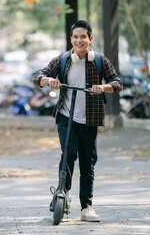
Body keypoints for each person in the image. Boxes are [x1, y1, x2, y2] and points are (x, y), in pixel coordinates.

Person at [33, 20, 123, 222]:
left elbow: (117, 83)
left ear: (90, 39)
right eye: (75, 37)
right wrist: (49, 81)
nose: (79, 40)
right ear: (71, 39)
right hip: (66, 116)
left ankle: (86, 207)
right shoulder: (62, 60)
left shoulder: (99, 60)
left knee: (88, 163)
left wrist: (103, 87)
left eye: (83, 36)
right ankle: (61, 194)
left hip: (90, 119)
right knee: (69, 153)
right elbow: (37, 76)